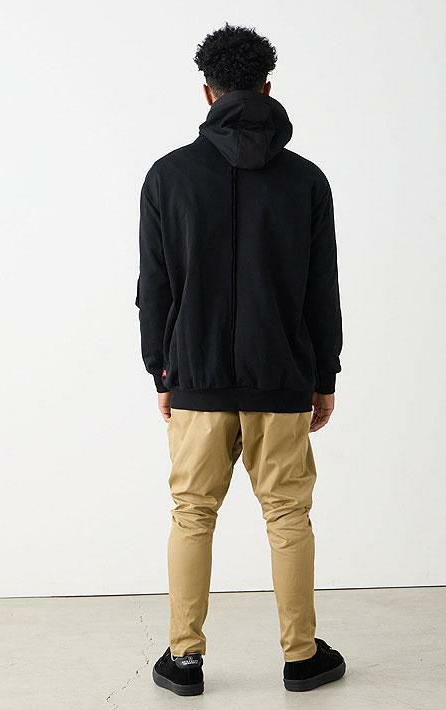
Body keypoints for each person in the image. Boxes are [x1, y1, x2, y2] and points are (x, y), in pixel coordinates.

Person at [136, 23, 344, 696]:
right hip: (280, 377)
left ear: (208, 92)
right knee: (287, 515)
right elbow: (321, 290)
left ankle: (184, 659)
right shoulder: (305, 181)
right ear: (267, 89)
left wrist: (162, 370)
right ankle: (301, 657)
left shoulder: (168, 177)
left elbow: (155, 288)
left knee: (192, 514)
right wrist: (323, 376)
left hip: (195, 378)